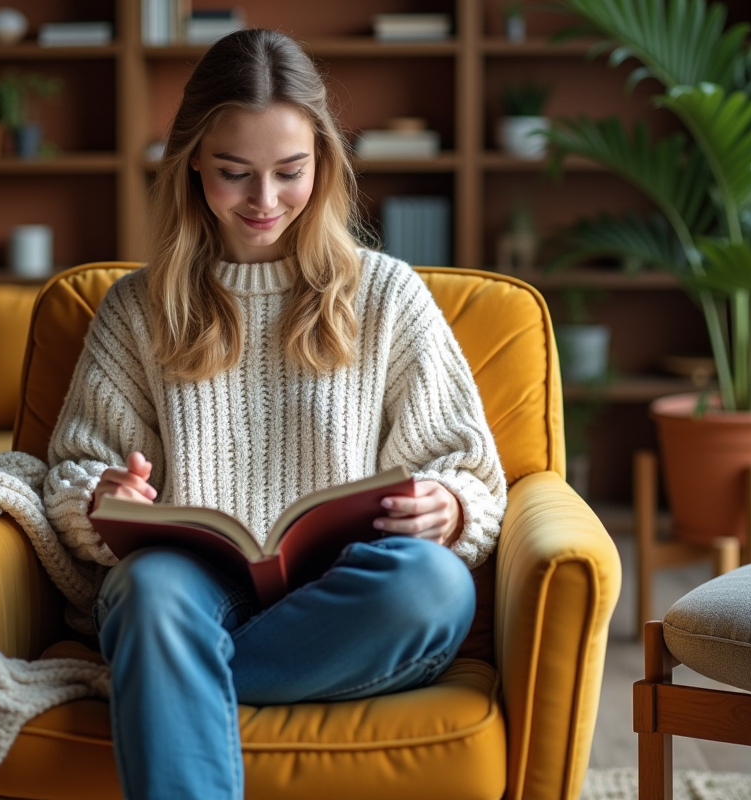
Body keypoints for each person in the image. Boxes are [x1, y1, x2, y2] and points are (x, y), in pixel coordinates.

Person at [43, 27, 506, 800]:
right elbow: (75, 468)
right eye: (234, 173)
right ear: (194, 160)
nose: (264, 201)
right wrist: (103, 500)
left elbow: (470, 471)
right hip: (189, 586)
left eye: (289, 172)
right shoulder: (136, 309)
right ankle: (168, 663)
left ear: (322, 163)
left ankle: (168, 681)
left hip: (348, 596)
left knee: (433, 587)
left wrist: (448, 508)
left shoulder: (387, 295)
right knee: (150, 594)